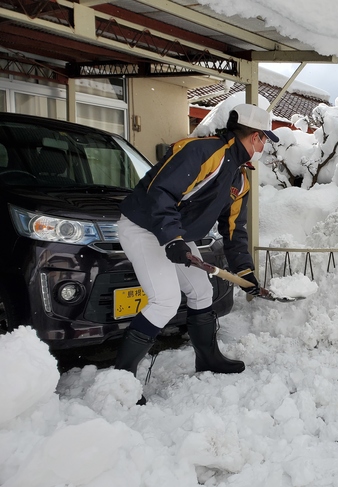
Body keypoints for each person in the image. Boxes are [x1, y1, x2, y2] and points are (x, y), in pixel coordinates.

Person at [115, 104, 278, 404]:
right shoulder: (203, 152)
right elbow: (160, 192)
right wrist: (172, 239)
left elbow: (233, 230)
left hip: (173, 233)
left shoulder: (239, 178)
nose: (264, 146)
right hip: (143, 226)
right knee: (165, 301)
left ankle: (208, 358)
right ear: (255, 137)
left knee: (202, 291)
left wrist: (245, 273)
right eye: (265, 139)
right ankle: (120, 381)